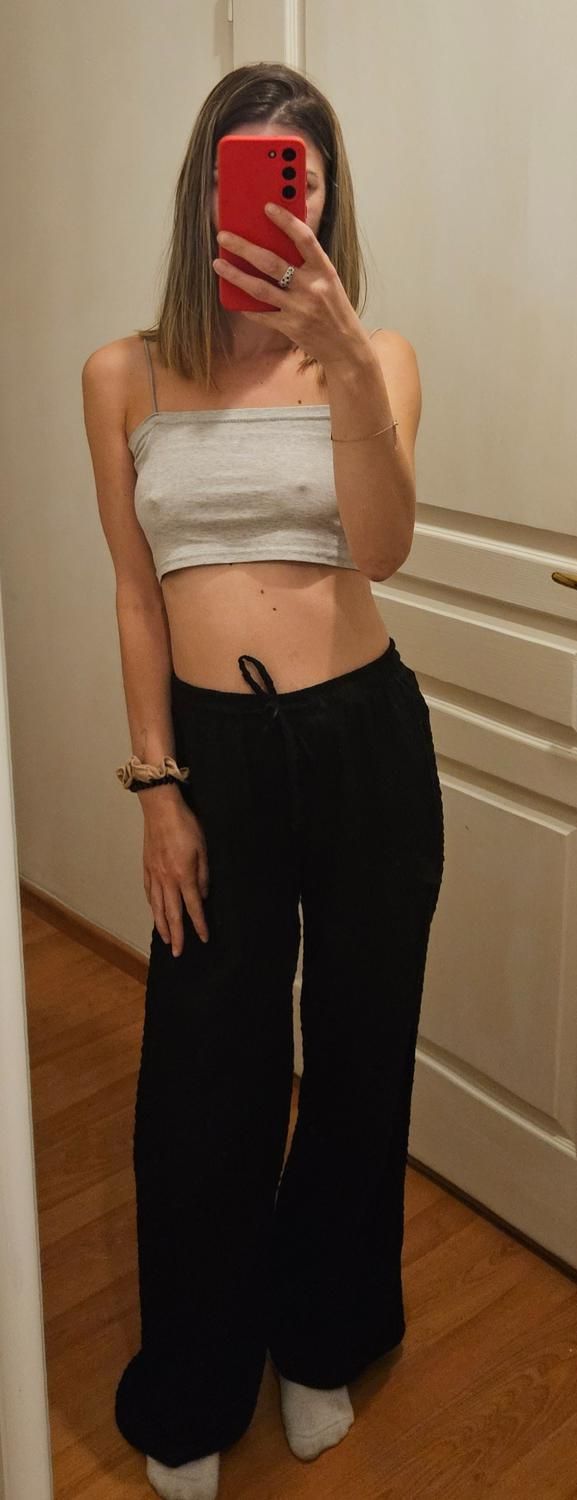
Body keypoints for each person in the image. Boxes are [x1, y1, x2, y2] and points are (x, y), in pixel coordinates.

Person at [81, 60, 444, 1500]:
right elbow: (133, 594)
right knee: (203, 1076)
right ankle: (194, 1379)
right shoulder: (122, 374)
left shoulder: (377, 356)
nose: (275, 211)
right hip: (213, 759)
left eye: (301, 184)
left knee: (359, 1056)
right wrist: (157, 788)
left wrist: (344, 359)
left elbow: (384, 548)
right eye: (249, 179)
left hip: (366, 742)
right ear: (204, 195)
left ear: (326, 201)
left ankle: (321, 1333)